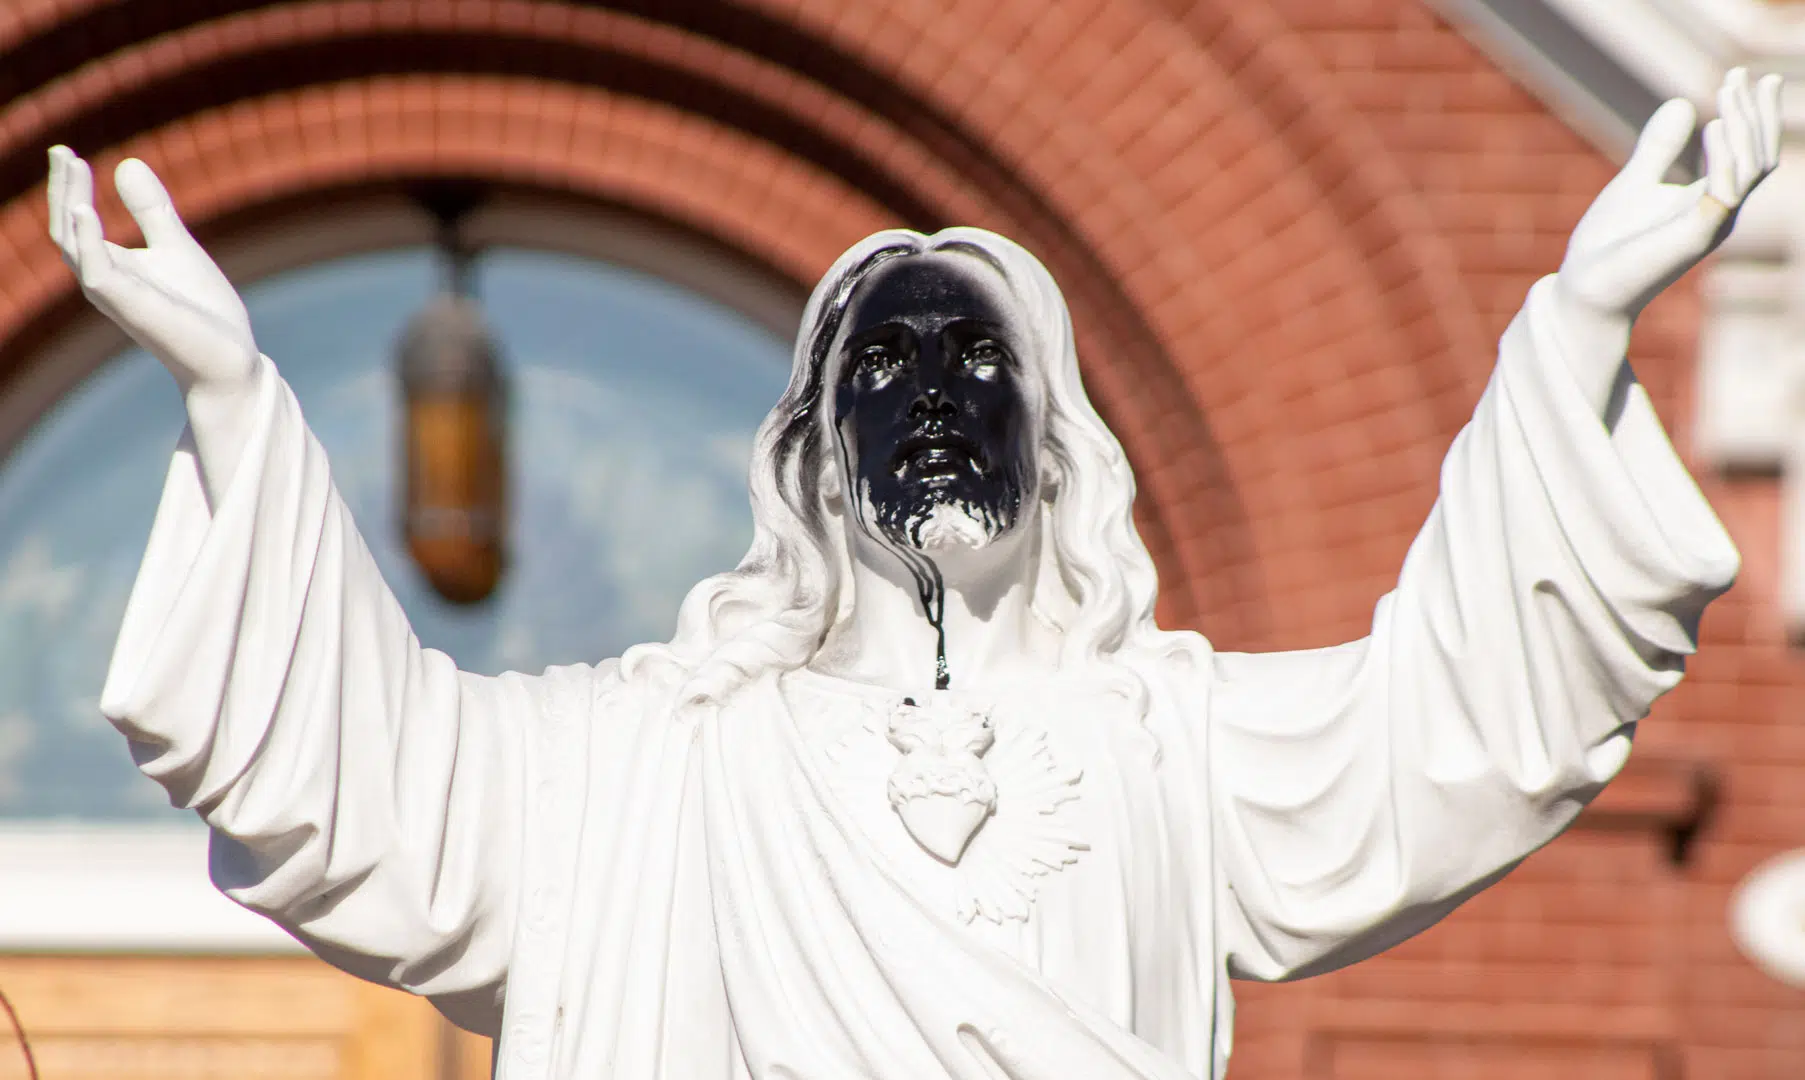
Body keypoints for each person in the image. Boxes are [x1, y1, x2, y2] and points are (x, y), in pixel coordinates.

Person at [46, 69, 1779, 1080]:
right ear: (804, 456)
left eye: (979, 366)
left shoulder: (1165, 745)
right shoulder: (657, 765)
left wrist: (1582, 324)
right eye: (889, 366)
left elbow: (1460, 724)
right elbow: (359, 788)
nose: (939, 402)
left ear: (1061, 442)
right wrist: (227, 396)